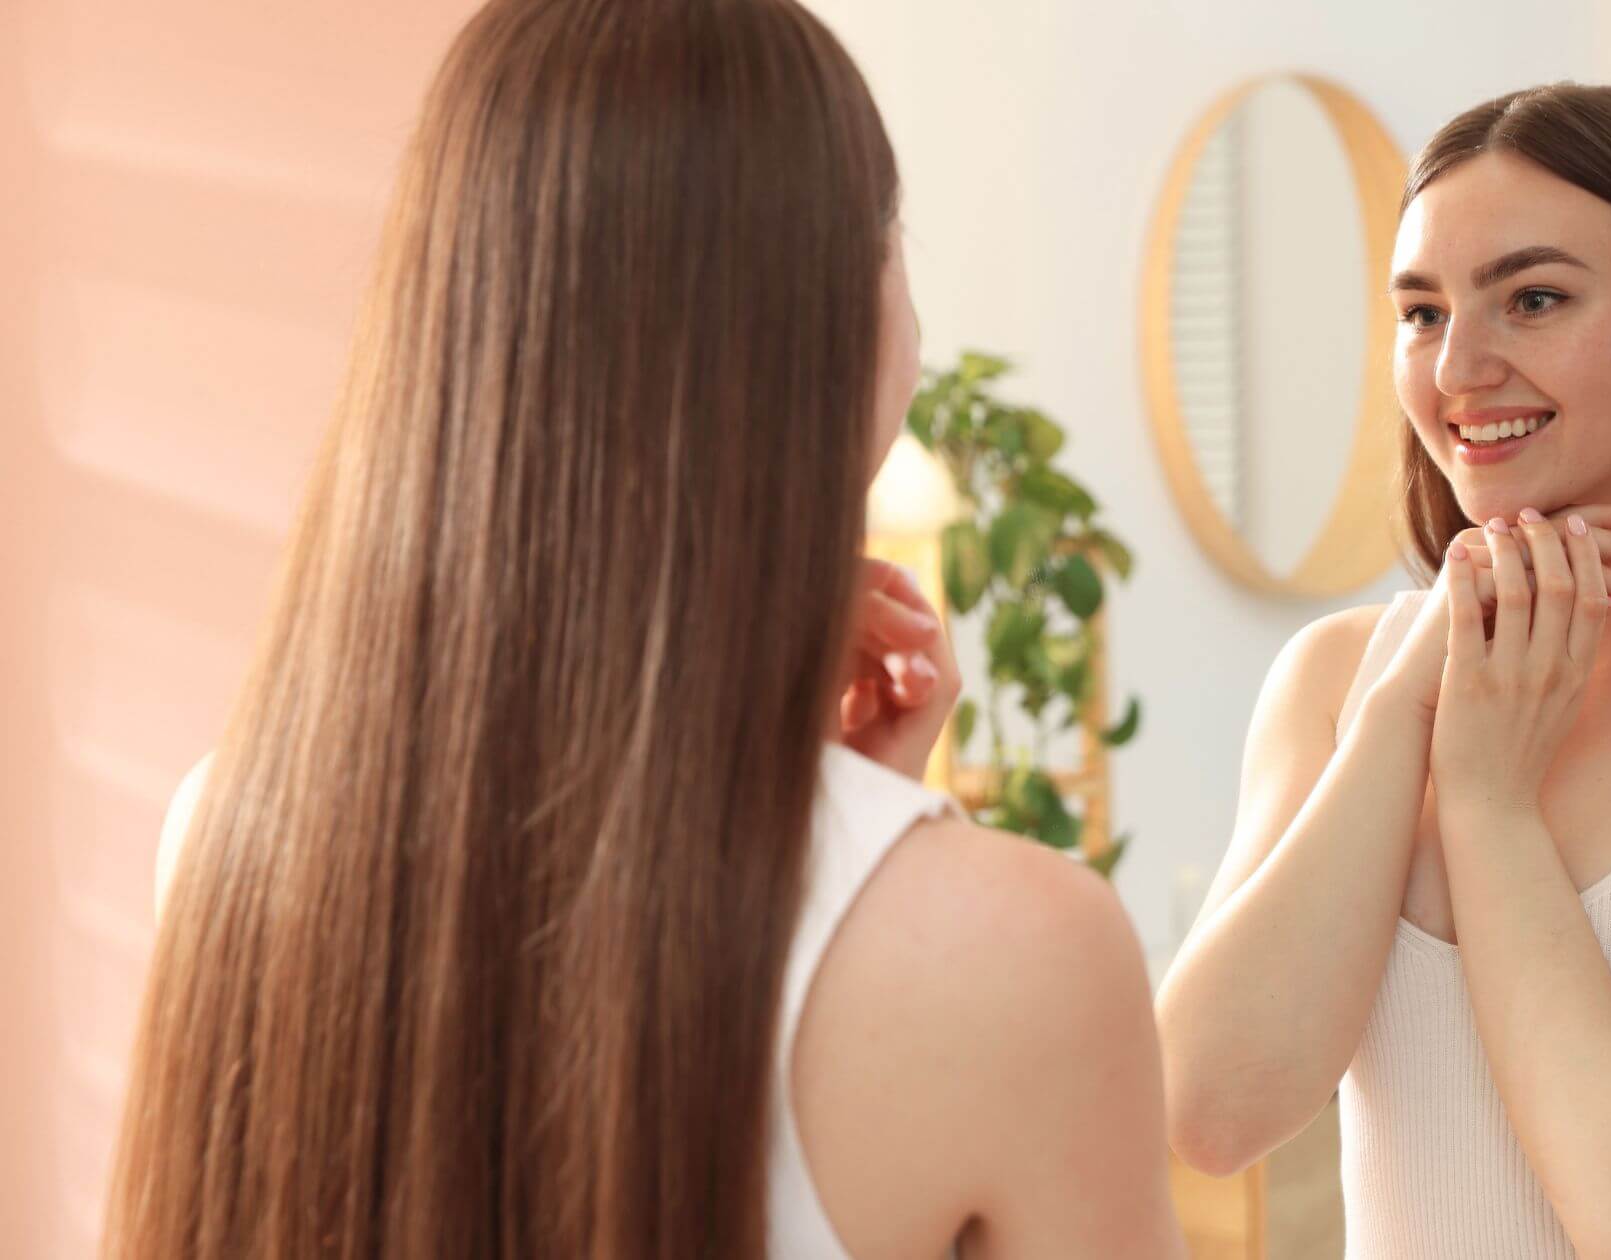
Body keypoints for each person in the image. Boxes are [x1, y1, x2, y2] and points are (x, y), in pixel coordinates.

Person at [104, 2, 1182, 1257]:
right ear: (832, 322)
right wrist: (859, 854)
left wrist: (825, 825)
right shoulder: (1015, 958)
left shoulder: (224, 839)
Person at [1156, 83, 1611, 1259]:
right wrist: (1405, 700)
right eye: (1421, 313)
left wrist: (1488, 804)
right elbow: (1211, 1111)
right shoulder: (1339, 682)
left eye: (1532, 299)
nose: (1456, 371)